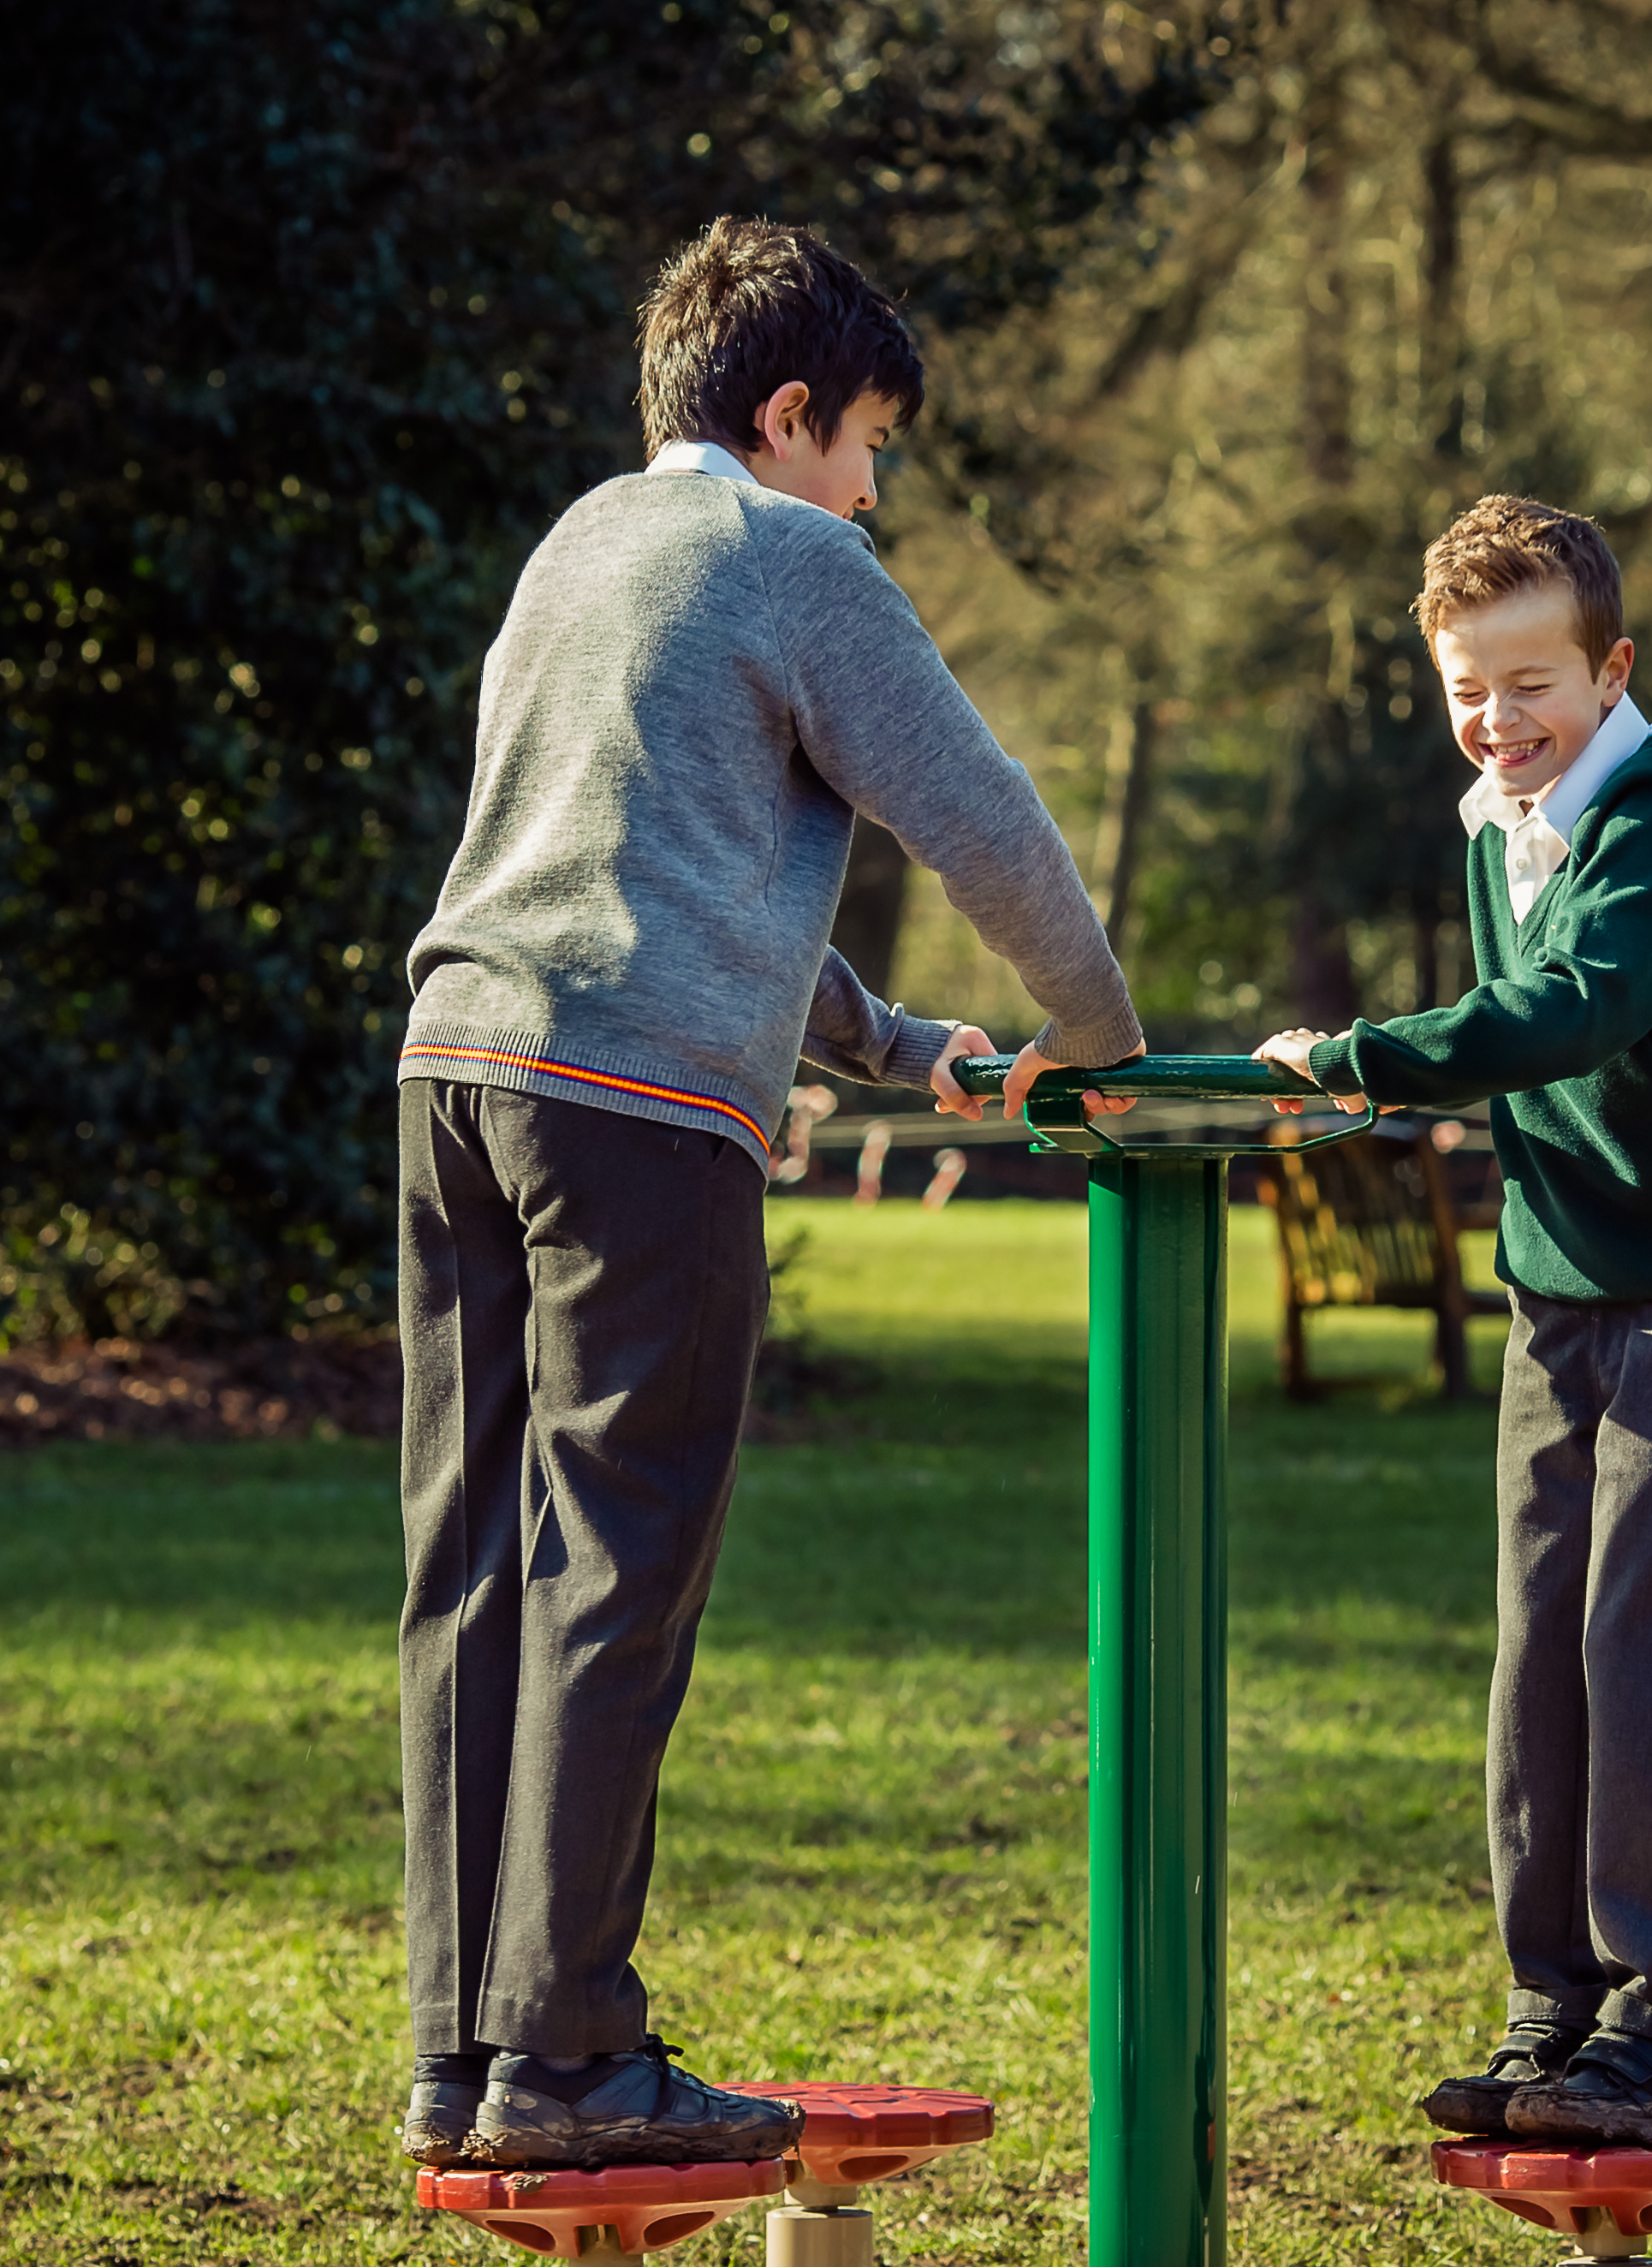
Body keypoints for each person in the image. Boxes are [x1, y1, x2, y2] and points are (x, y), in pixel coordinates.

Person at [392, 217, 1144, 2170]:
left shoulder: (579, 551)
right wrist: (1106, 1041)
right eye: (870, 440)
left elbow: (647, 871)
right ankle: (568, 2062)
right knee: (616, 1573)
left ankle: (466, 2053)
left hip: (458, 1079)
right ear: (788, 414)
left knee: (479, 1573)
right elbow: (984, 819)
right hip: (633, 1115)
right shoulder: (791, 559)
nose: (877, 490)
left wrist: (904, 1048)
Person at [1255, 495, 1652, 2148]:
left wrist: (1363, 1059)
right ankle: (1551, 2013)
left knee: (1646, 1655)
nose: (1499, 720)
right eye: (1468, 689)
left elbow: (1583, 1009)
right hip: (1555, 1296)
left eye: (1532, 682)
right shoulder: (1502, 816)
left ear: (1611, 667)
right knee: (1540, 1663)